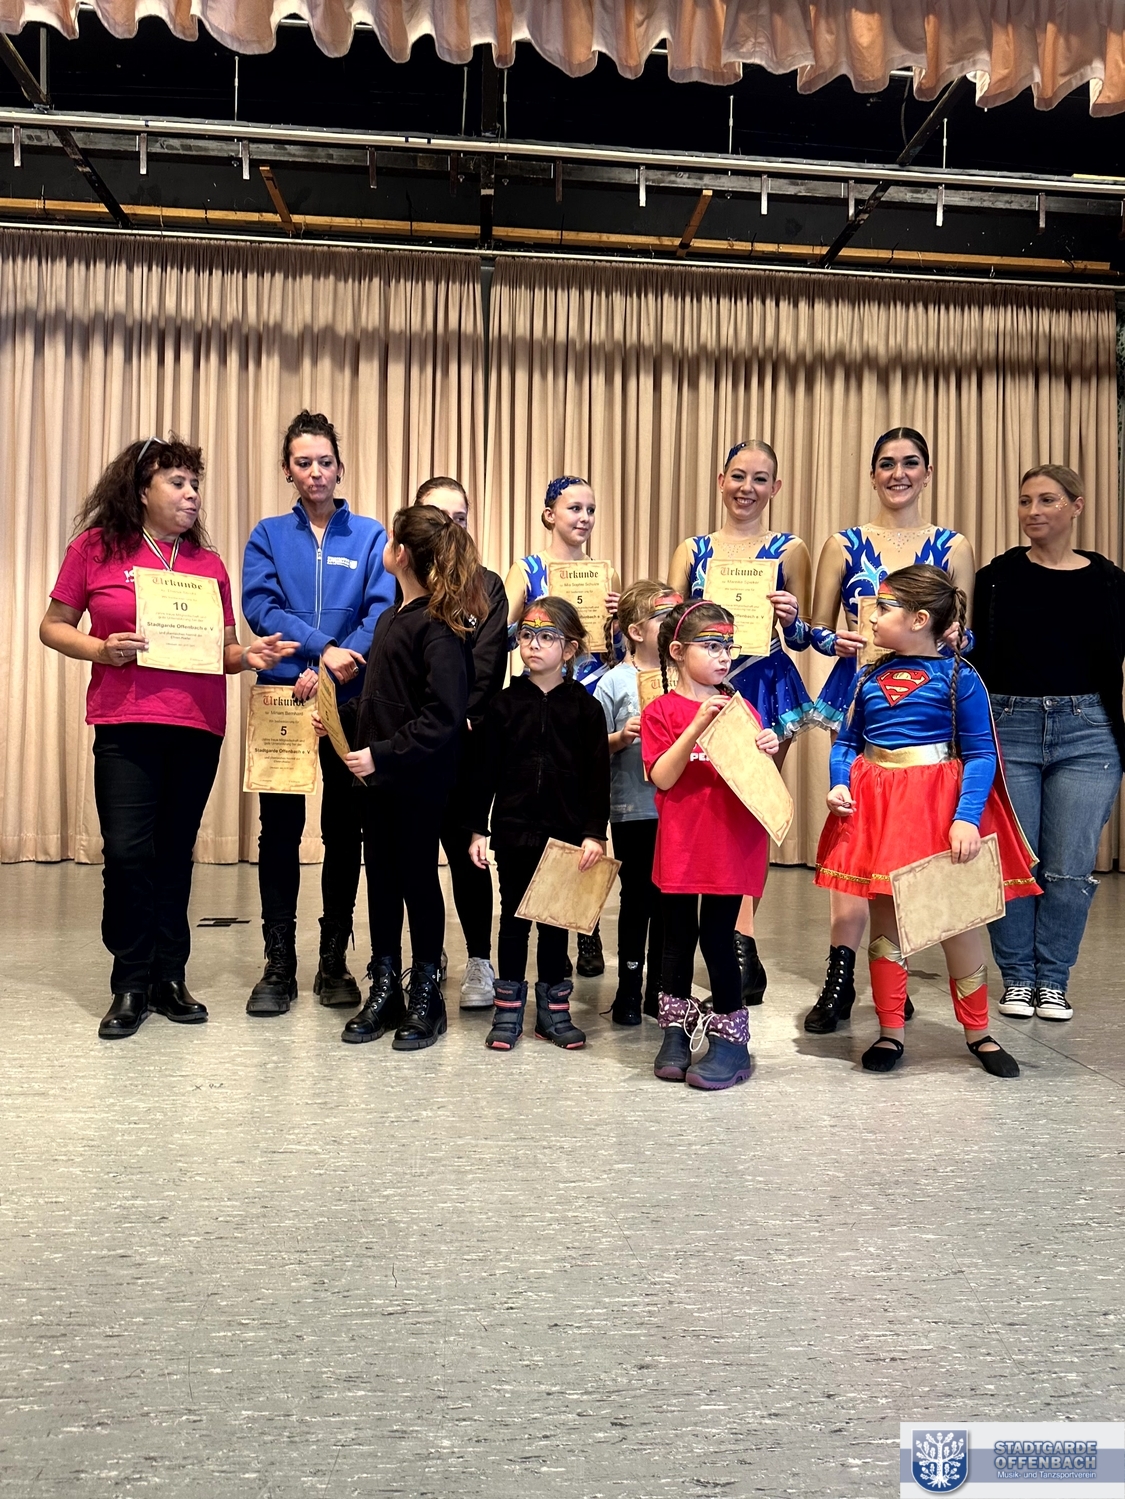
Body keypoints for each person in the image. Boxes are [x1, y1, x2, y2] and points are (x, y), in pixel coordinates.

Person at [40, 435, 297, 1039]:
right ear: (140, 490)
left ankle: (168, 977)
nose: (191, 495)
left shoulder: (207, 565)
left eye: (194, 484)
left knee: (175, 853)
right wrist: (101, 648)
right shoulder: (95, 549)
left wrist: (248, 655)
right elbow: (53, 626)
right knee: (128, 853)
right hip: (125, 723)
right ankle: (129, 981)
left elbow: (223, 650)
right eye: (177, 483)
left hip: (196, 726)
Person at [814, 565, 1037, 1077]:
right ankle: (890, 1029)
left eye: (884, 607)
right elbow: (847, 743)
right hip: (880, 812)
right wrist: (839, 781)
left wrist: (966, 819)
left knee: (956, 923)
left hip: (939, 812)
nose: (871, 616)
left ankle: (978, 1032)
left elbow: (981, 754)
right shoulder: (867, 676)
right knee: (887, 922)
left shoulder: (961, 677)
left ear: (919, 619)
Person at [803, 426, 976, 1036]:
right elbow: (812, 631)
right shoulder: (843, 543)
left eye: (909, 463)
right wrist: (829, 638)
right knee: (857, 839)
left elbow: (965, 633)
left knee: (919, 845)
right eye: (885, 463)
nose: (897, 473)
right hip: (860, 694)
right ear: (872, 473)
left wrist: (951, 639)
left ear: (927, 472)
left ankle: (896, 975)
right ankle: (840, 977)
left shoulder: (952, 545)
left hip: (924, 706)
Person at [315, 505, 488, 1052]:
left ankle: (427, 995)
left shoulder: (440, 629)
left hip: (416, 780)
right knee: (384, 882)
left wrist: (384, 755)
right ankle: (386, 985)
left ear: (403, 554)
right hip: (379, 782)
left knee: (417, 880)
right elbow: (382, 699)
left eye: (390, 541)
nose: (384, 548)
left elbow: (442, 717)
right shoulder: (391, 618)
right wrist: (342, 720)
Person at [241, 411, 394, 1018]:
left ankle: (333, 959)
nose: (315, 472)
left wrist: (332, 666)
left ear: (339, 467)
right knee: (278, 833)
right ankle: (279, 962)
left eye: (324, 462)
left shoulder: (371, 536)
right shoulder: (268, 534)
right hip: (283, 698)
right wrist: (318, 648)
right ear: (288, 470)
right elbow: (261, 605)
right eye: (303, 462)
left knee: (343, 831)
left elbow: (381, 611)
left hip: (348, 702)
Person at [970, 464, 1125, 1022]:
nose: (1033, 511)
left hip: (1089, 733)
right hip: (1009, 726)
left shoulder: (1109, 581)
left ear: (1077, 506)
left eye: (1047, 500)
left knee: (1069, 866)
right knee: (1015, 861)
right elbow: (974, 656)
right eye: (1025, 501)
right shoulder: (996, 578)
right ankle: (1017, 977)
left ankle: (1053, 979)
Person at [668, 439, 813, 1008]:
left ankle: (740, 941)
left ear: (776, 487)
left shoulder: (790, 549)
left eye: (759, 478)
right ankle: (716, 935)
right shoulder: (693, 549)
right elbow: (671, 627)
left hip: (765, 685)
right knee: (705, 807)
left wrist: (792, 618)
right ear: (720, 480)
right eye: (737, 476)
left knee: (751, 812)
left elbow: (802, 634)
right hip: (706, 687)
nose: (746, 488)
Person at [640, 601, 780, 1091]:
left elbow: (757, 781)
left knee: (719, 939)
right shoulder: (660, 711)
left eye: (728, 646)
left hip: (730, 843)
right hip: (682, 843)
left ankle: (731, 1042)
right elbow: (663, 775)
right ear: (678, 652)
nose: (724, 656)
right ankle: (674, 1033)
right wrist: (696, 726)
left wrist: (767, 748)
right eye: (712, 646)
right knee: (676, 939)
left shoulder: (741, 709)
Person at [468, 597, 610, 1052]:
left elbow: (597, 778)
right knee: (512, 919)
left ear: (568, 650)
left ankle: (553, 1011)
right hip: (513, 833)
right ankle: (508, 1010)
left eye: (547, 637)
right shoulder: (504, 705)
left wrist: (594, 833)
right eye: (527, 635)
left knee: (553, 924)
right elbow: (484, 772)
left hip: (565, 836)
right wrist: (478, 829)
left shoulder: (586, 709)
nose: (533, 644)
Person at [503, 475, 621, 979]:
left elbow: (614, 650)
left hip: (589, 695)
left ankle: (586, 927)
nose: (584, 518)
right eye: (574, 508)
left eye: (591, 509)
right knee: (548, 800)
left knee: (586, 806)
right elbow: (502, 633)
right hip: (543, 695)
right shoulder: (527, 568)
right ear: (550, 514)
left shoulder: (605, 570)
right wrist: (542, 622)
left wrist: (616, 622)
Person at [413, 477, 509, 1011]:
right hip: (414, 742)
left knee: (468, 854)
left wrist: (458, 717)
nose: (451, 527)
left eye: (460, 518)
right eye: (439, 516)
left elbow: (487, 662)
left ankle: (479, 958)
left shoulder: (486, 585)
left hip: (467, 740)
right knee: (413, 857)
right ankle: (425, 956)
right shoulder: (405, 582)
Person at [594, 580, 681, 1025]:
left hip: (678, 807)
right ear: (635, 631)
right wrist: (621, 736)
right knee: (637, 897)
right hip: (633, 806)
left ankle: (661, 991)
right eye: (664, 618)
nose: (675, 624)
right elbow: (591, 748)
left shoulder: (686, 678)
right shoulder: (613, 682)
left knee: (671, 899)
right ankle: (628, 988)